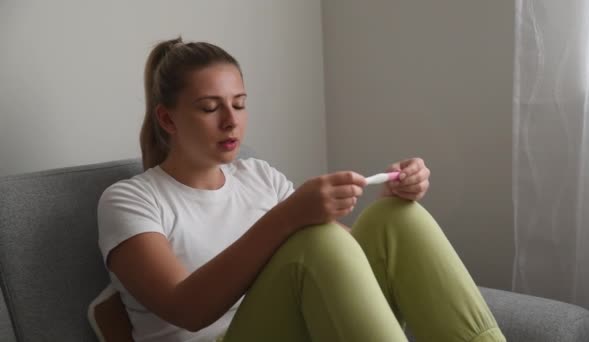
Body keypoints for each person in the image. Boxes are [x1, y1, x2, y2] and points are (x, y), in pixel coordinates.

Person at [97, 37, 506, 342]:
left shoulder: (259, 177)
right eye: (209, 108)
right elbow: (186, 309)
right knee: (314, 240)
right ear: (167, 120)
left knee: (394, 218)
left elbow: (344, 258)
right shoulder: (131, 200)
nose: (230, 121)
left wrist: (396, 192)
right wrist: (289, 216)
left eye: (239, 104)